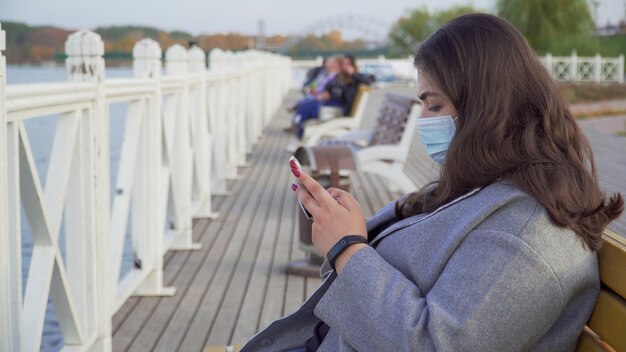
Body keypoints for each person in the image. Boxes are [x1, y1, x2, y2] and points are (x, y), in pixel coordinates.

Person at [242, 13, 624, 352]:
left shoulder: (529, 238)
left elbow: (434, 344)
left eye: (435, 105)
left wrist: (346, 248)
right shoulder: (491, 187)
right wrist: (343, 224)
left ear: (486, 106)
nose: (424, 117)